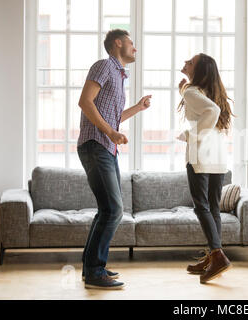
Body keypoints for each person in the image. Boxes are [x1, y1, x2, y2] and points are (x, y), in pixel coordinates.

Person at [77, 29, 152, 290]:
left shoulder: (119, 77)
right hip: (96, 145)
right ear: (118, 43)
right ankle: (95, 271)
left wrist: (139, 108)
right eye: (132, 43)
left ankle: (92, 268)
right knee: (114, 210)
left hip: (106, 147)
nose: (135, 48)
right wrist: (110, 132)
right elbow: (85, 102)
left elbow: (114, 117)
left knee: (107, 210)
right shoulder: (103, 66)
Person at [177, 53, 235, 284]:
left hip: (201, 155)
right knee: (213, 207)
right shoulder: (214, 92)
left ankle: (218, 256)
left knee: (201, 206)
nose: (184, 63)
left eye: (189, 62)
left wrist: (191, 135)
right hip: (218, 156)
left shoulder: (192, 92)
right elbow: (214, 111)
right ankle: (213, 256)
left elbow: (212, 112)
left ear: (198, 70)